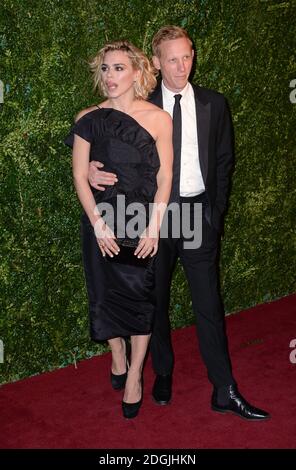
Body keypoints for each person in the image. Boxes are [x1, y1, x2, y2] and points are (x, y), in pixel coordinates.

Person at [87, 26, 270, 420]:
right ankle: (163, 372)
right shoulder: (136, 103)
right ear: (155, 62)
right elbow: (100, 140)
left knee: (209, 305)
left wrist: (214, 213)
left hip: (197, 215)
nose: (182, 65)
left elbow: (224, 162)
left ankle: (225, 389)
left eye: (187, 56)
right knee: (155, 302)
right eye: (172, 58)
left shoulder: (214, 104)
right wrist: (89, 169)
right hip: (151, 216)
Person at [65, 40, 173, 419]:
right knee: (103, 296)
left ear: (137, 73)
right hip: (100, 222)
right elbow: (80, 174)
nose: (110, 76)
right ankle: (117, 353)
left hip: (141, 222)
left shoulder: (159, 119)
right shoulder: (88, 117)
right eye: (106, 69)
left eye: (118, 68)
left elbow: (165, 176)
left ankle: (135, 377)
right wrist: (97, 225)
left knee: (141, 301)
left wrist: (154, 228)